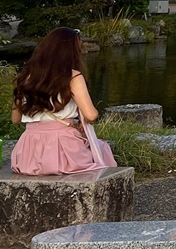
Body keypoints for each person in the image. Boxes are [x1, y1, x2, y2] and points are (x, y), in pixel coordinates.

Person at [10, 27, 117, 175]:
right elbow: (91, 115)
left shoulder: (26, 77)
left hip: (27, 154)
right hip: (62, 149)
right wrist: (78, 122)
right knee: (102, 149)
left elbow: (15, 119)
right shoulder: (72, 77)